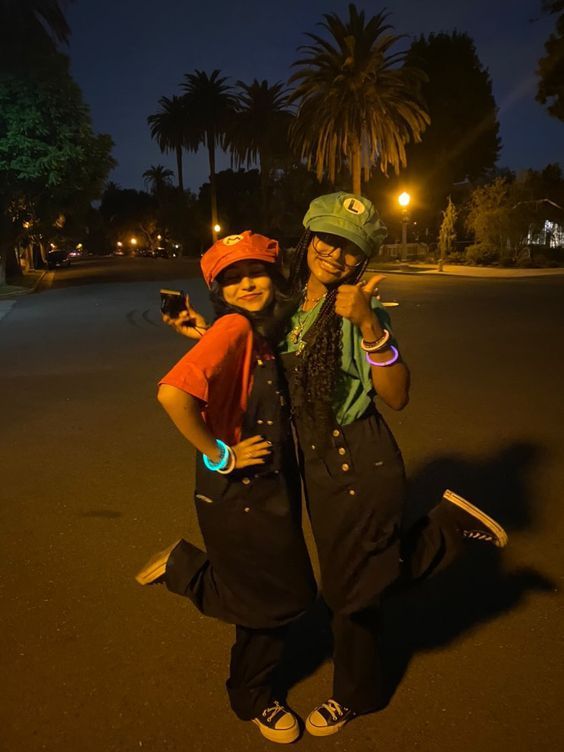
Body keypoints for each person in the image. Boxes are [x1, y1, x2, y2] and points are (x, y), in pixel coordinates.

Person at [162, 194, 508, 738]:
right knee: (343, 580)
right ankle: (443, 528)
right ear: (309, 239)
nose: (335, 254)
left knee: (352, 595)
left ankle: (356, 693)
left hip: (359, 457)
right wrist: (205, 335)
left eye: (351, 249)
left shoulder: (360, 306)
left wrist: (370, 324)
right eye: (327, 239)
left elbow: (397, 396)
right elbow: (255, 354)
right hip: (312, 469)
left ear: (363, 260)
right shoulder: (288, 303)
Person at [136, 231, 317, 744]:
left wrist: (202, 334)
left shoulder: (247, 328)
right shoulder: (236, 325)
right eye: (232, 278)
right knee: (269, 603)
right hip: (239, 490)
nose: (247, 284)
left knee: (276, 589)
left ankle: (183, 566)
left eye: (255, 272)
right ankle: (250, 697)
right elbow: (172, 394)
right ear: (220, 289)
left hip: (263, 483)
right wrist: (221, 454)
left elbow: (235, 375)